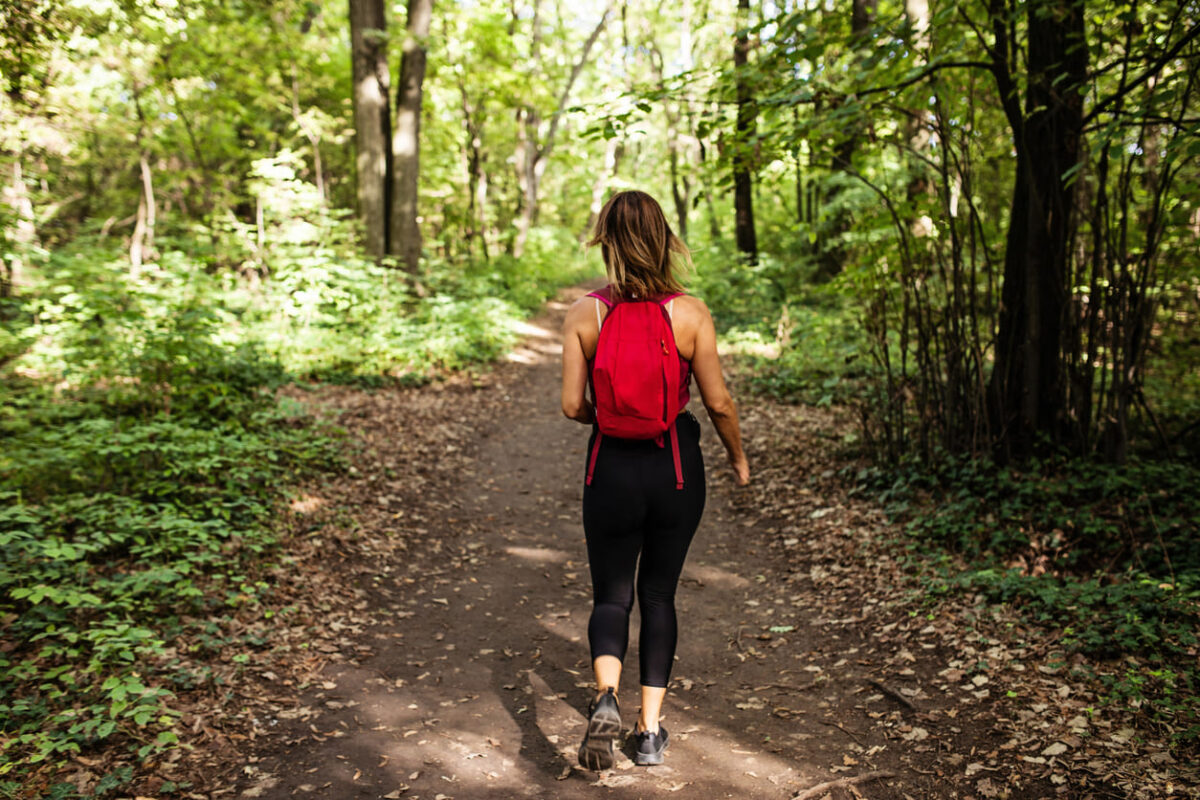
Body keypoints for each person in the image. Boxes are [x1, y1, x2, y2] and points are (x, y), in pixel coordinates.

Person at [560, 190, 750, 770]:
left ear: (607, 242)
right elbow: (717, 403)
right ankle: (648, 732)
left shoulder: (583, 313)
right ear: (665, 239)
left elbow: (572, 406)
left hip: (610, 469)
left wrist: (610, 418)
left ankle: (606, 697)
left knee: (611, 595)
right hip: (673, 468)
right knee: (660, 594)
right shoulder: (689, 312)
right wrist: (738, 457)